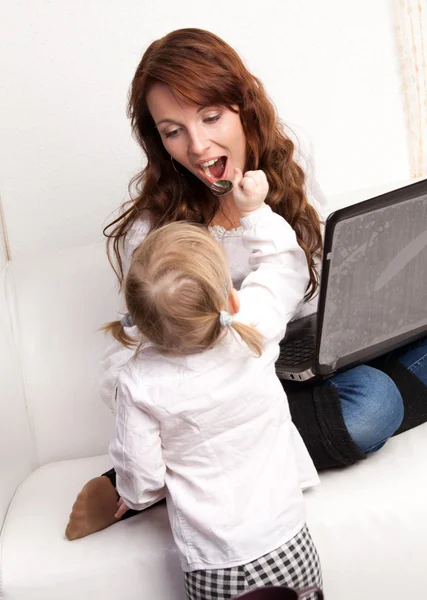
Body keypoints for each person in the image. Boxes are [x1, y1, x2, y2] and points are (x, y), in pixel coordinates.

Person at [65, 28, 427, 541]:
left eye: (211, 118)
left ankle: (194, 468)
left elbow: (311, 271)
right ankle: (170, 473)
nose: (198, 146)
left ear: (243, 107)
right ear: (157, 139)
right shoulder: (156, 232)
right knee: (374, 404)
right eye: (173, 130)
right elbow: (135, 363)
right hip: (233, 386)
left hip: (310, 347)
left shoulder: (287, 157)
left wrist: (370, 307)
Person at [105, 168, 322, 600]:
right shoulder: (253, 327)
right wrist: (255, 211)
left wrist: (132, 494)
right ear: (230, 296)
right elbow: (284, 267)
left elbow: (144, 476)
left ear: (141, 320)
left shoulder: (138, 381)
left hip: (214, 564)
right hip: (289, 541)